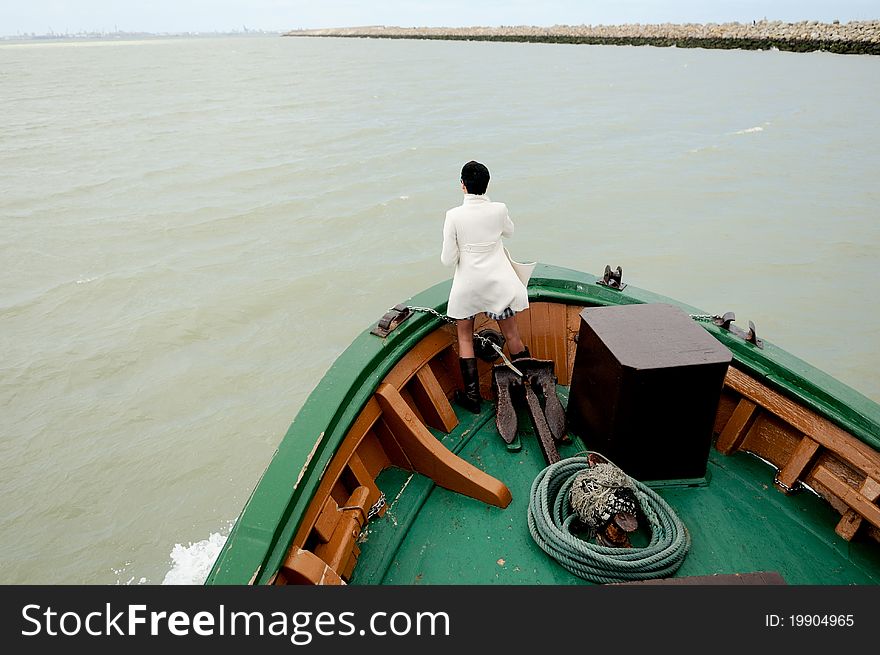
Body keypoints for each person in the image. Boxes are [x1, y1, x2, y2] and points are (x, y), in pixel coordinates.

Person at [441, 161, 530, 413]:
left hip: (467, 288)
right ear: (487, 184)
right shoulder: (499, 209)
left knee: (465, 337)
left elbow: (448, 259)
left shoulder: (453, 216)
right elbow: (509, 232)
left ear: (462, 185)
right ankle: (526, 388)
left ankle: (473, 398)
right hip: (497, 286)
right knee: (512, 335)